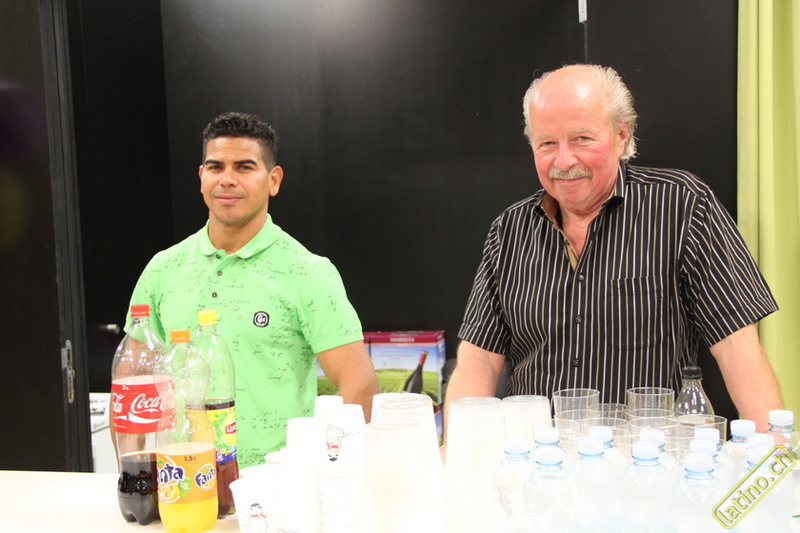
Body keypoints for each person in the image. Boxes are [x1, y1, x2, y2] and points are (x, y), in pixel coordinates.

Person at [445, 64, 783, 431]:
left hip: (647, 455)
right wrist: (455, 449)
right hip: (536, 456)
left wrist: (774, 449)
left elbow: (735, 346)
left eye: (581, 138)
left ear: (622, 135)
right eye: (547, 143)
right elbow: (479, 361)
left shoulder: (684, 206)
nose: (563, 160)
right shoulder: (509, 230)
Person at [125, 111, 380, 466]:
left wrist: (333, 470)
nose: (227, 179)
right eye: (215, 167)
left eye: (244, 167)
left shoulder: (307, 272)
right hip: (180, 480)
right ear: (201, 177)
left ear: (273, 180)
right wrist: (135, 470)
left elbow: (360, 384)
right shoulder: (162, 269)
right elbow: (132, 378)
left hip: (276, 484)